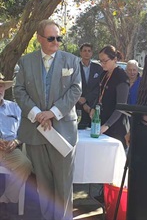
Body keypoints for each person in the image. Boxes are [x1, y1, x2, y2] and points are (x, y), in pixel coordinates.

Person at [14, 20, 82, 220]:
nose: (56, 43)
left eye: (59, 38)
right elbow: (18, 90)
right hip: (36, 131)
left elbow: (76, 90)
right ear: (39, 39)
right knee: (43, 185)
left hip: (63, 132)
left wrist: (52, 112)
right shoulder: (26, 62)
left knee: (63, 183)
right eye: (51, 38)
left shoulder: (72, 61)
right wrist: (36, 113)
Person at [0, 74, 32, 219]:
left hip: (11, 148)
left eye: (1, 86)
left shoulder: (14, 107)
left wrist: (17, 141)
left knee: (25, 164)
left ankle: (7, 198)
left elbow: (24, 129)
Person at [98, 45, 130, 149]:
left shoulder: (121, 76)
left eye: (105, 61)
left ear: (115, 59)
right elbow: (100, 95)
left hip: (115, 127)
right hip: (102, 121)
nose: (102, 64)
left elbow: (121, 107)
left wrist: (107, 125)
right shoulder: (104, 74)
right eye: (100, 61)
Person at [76, 43, 103, 129]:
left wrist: (87, 98)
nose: (87, 53)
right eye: (84, 51)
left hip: (92, 106)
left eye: (89, 51)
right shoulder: (75, 67)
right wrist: (81, 99)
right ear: (80, 53)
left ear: (92, 53)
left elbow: (99, 87)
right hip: (77, 106)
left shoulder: (98, 68)